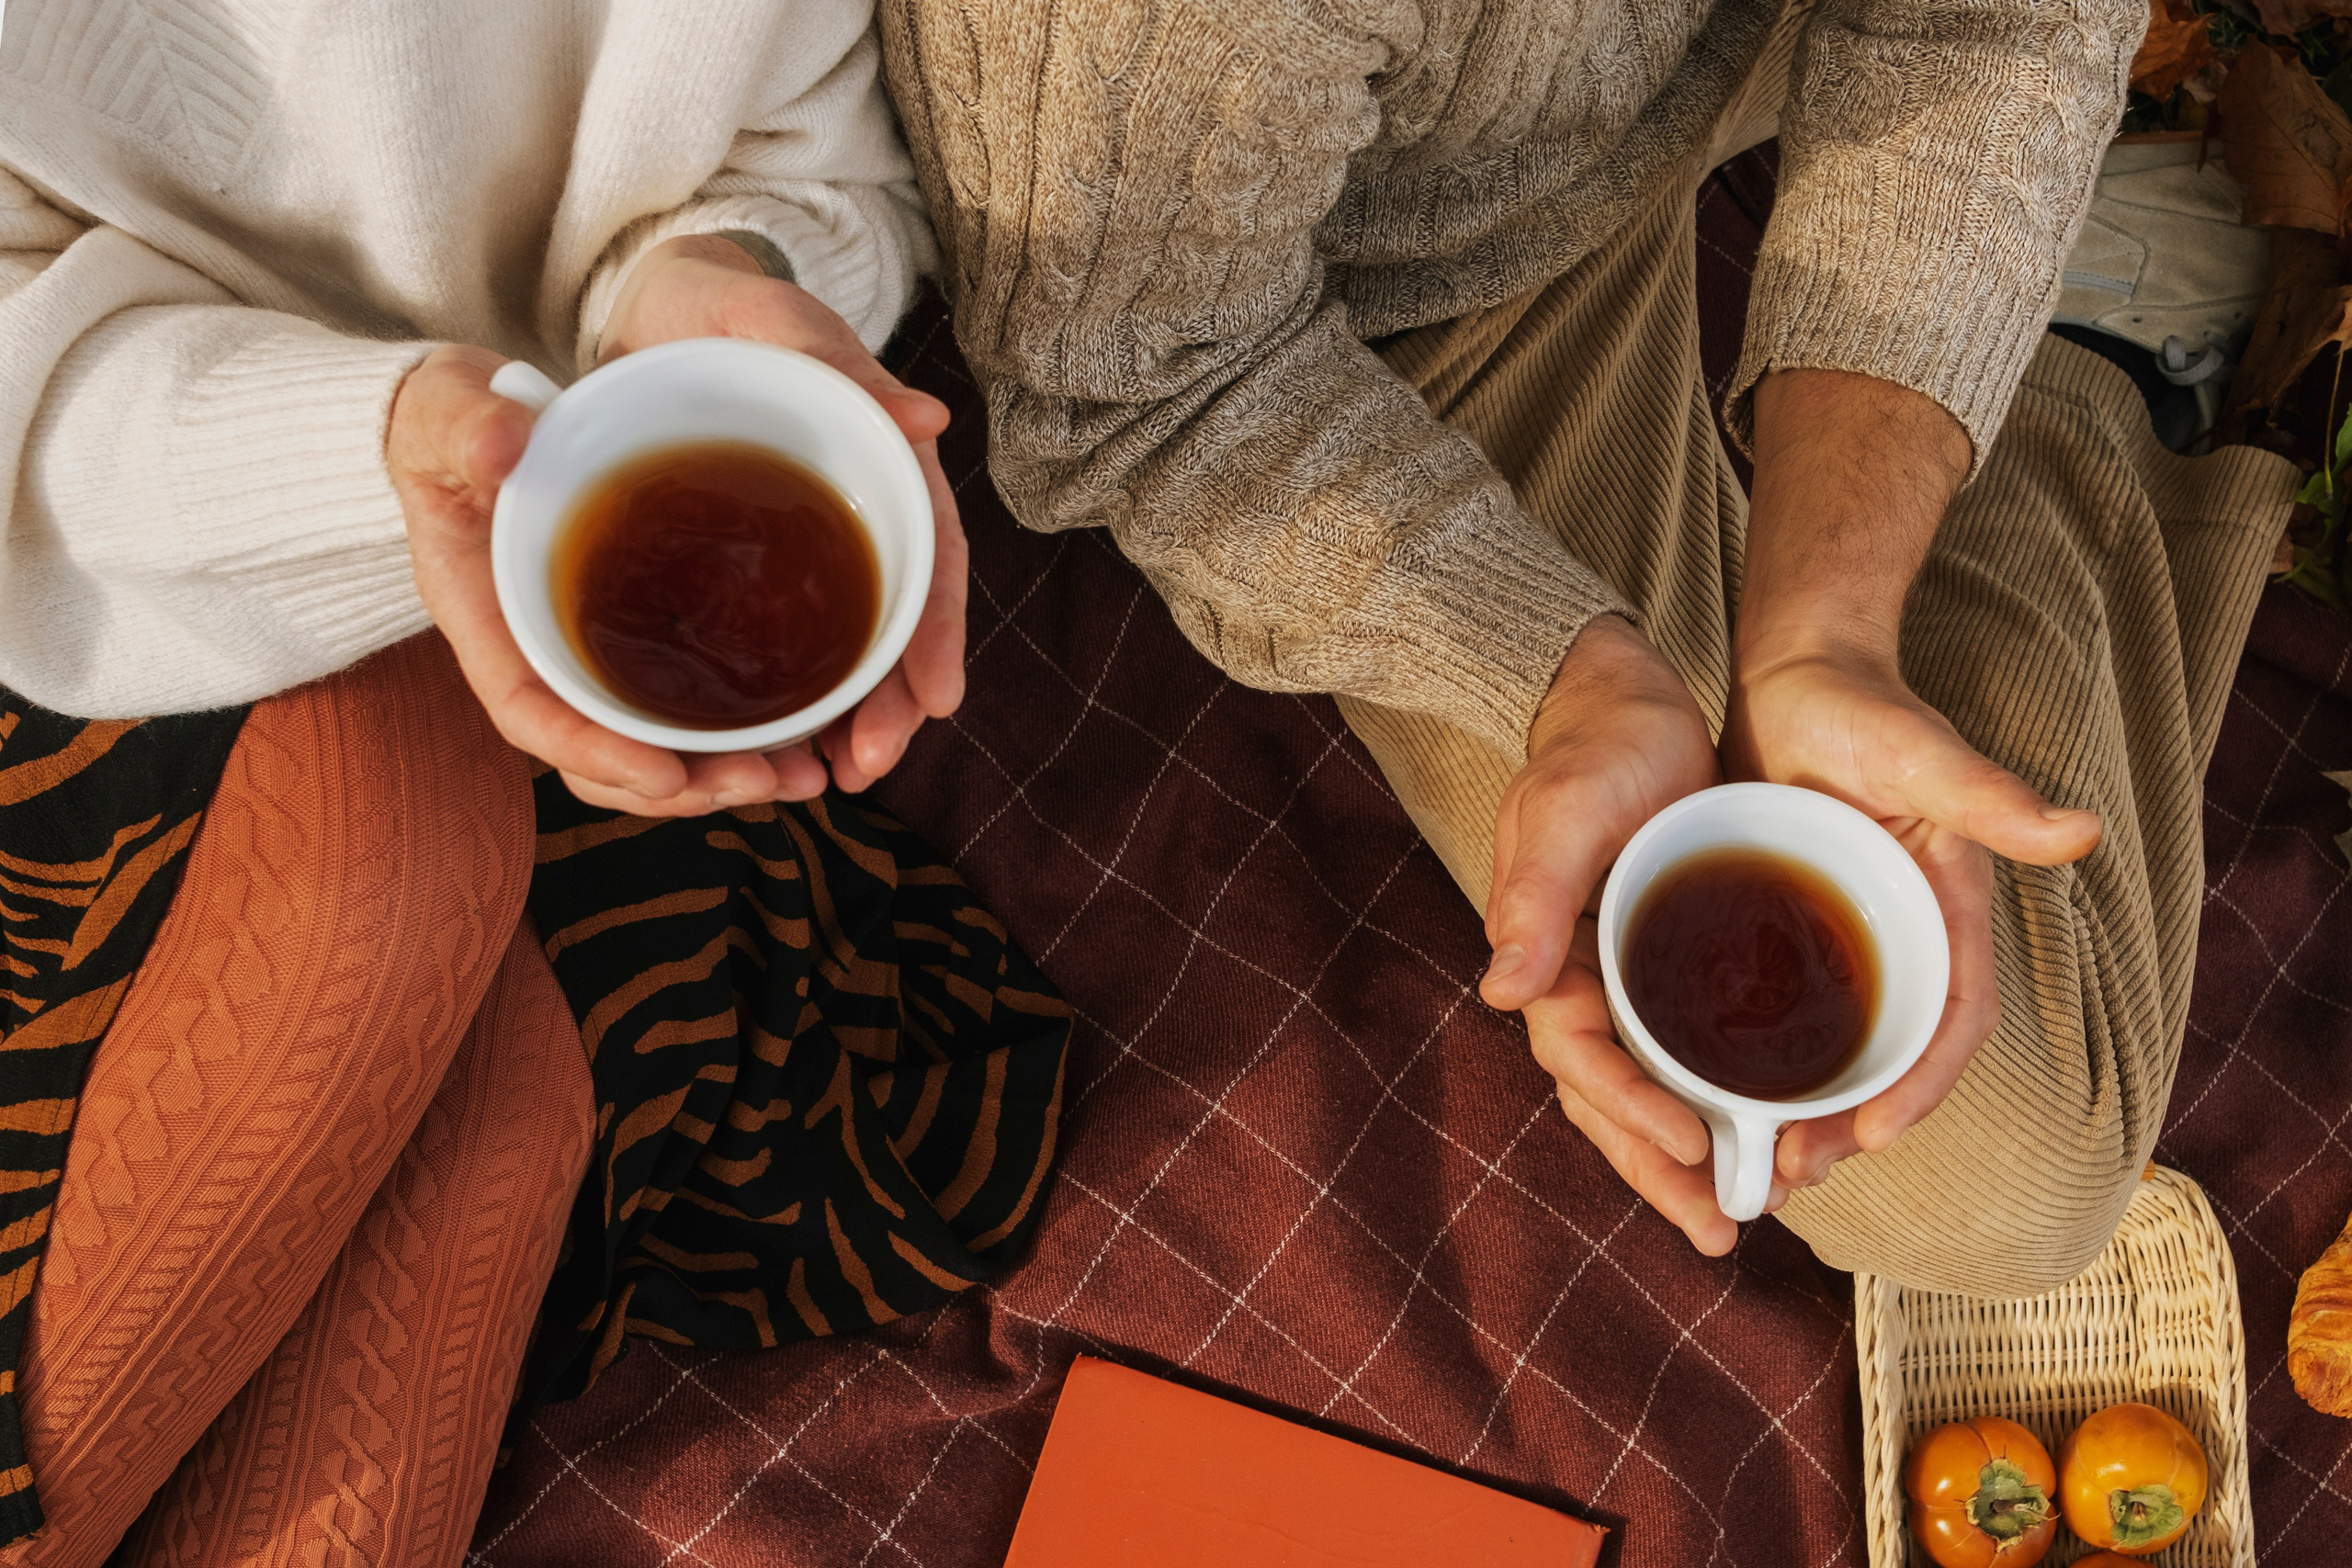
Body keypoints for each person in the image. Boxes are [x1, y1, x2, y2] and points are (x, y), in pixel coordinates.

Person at [877, 0, 2298, 1293]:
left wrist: (1829, 623)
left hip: (1717, 64)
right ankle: (2079, 372)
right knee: (2011, 1188)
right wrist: (1559, 670)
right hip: (1374, 293)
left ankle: (2039, 339)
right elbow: (1145, 387)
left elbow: (1990, 22)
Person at [0, 1, 974, 1561]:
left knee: (499, 1140)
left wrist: (720, 277)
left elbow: (831, 156)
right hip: (102, 549)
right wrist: (380, 445)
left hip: (603, 620)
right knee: (408, 931)